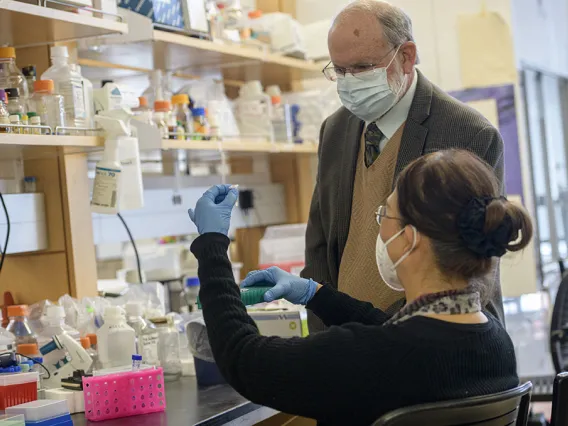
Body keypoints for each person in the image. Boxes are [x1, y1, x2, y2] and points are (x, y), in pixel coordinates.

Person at [188, 150, 531, 426]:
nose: (381, 229)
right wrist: (315, 293)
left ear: (408, 240)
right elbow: (395, 336)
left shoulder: (374, 357)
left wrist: (212, 245)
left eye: (387, 215)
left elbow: (243, 358)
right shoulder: (495, 340)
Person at [305, 0, 506, 329]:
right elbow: (320, 244)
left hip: (435, 341)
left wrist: (392, 339)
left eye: (362, 68)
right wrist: (325, 334)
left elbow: (471, 268)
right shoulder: (335, 130)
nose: (349, 82)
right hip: (346, 347)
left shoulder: (466, 133)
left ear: (406, 56)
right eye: (339, 71)